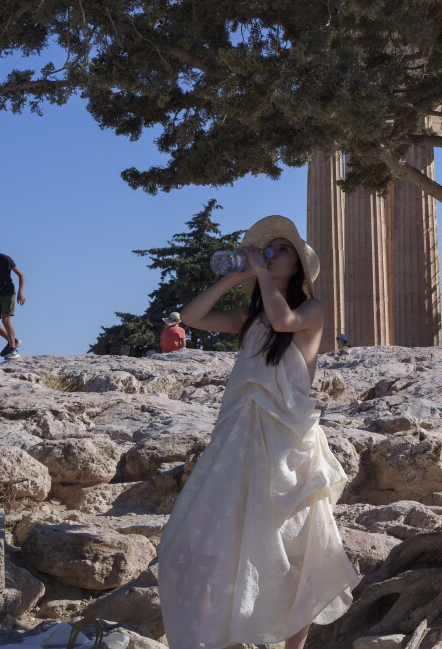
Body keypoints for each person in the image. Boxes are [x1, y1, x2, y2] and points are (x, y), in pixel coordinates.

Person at [159, 215, 358, 649]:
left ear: (299, 267)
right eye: (272, 248)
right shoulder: (250, 319)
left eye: (282, 249)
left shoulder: (312, 310)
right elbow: (192, 317)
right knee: (215, 540)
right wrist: (235, 277)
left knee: (295, 547)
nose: (273, 252)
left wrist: (263, 275)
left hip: (289, 443)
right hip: (240, 440)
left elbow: (284, 320)